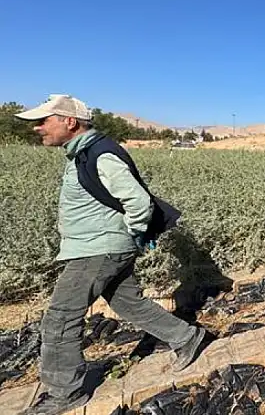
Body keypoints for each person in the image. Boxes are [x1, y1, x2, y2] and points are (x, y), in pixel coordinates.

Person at [15, 95, 207, 415]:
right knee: (129, 304)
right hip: (99, 248)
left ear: (70, 122)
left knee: (61, 319)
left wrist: (130, 233)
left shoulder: (100, 154)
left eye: (44, 121)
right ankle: (187, 338)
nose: (37, 128)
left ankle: (64, 393)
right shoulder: (82, 154)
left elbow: (137, 201)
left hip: (98, 251)